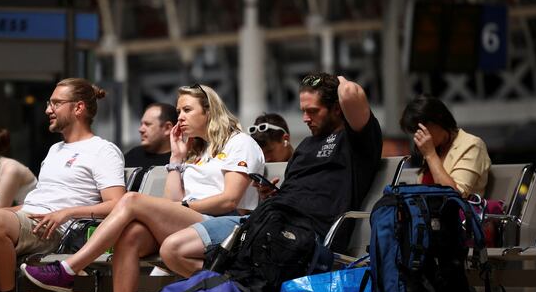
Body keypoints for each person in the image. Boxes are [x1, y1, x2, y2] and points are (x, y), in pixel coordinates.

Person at [21, 84, 265, 292]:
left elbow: (229, 199)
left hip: (228, 224)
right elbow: (173, 201)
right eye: (179, 110)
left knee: (131, 199)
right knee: (132, 234)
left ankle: (69, 269)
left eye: (187, 110)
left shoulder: (239, 143)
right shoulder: (196, 150)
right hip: (194, 222)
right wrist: (176, 158)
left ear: (209, 111)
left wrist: (186, 206)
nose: (180, 116)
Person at [160, 73, 382, 278]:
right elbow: (297, 193)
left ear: (336, 109)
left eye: (313, 111)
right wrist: (270, 196)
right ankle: (232, 287)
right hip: (267, 221)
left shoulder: (357, 142)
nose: (305, 118)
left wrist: (332, 81)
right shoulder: (305, 146)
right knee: (173, 250)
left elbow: (350, 92)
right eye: (303, 110)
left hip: (303, 234)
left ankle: (235, 290)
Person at [0, 78, 126, 292]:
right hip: (28, 219)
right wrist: (0, 213)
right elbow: (35, 202)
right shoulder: (55, 150)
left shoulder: (103, 150)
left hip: (54, 231)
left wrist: (67, 213)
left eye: (55, 103)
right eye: (48, 103)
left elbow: (117, 204)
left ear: (78, 108)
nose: (47, 109)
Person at [52, 102, 177, 292]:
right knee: (108, 232)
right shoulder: (133, 156)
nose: (140, 129)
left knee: (124, 218)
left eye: (147, 124)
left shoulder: (178, 158)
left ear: (168, 127)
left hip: (154, 227)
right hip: (122, 225)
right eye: (140, 123)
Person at [400, 95, 490, 197]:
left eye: (421, 128)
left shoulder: (472, 145)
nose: (419, 136)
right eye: (415, 131)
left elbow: (454, 196)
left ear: (438, 119)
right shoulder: (435, 148)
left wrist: (430, 155)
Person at [247, 112, 294, 199]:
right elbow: (243, 211)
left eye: (269, 151)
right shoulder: (256, 169)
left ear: (285, 139)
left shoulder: (305, 165)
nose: (266, 158)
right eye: (260, 154)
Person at [123, 103, 177, 167]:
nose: (141, 130)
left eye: (147, 124)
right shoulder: (132, 156)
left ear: (167, 128)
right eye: (141, 124)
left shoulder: (181, 161)